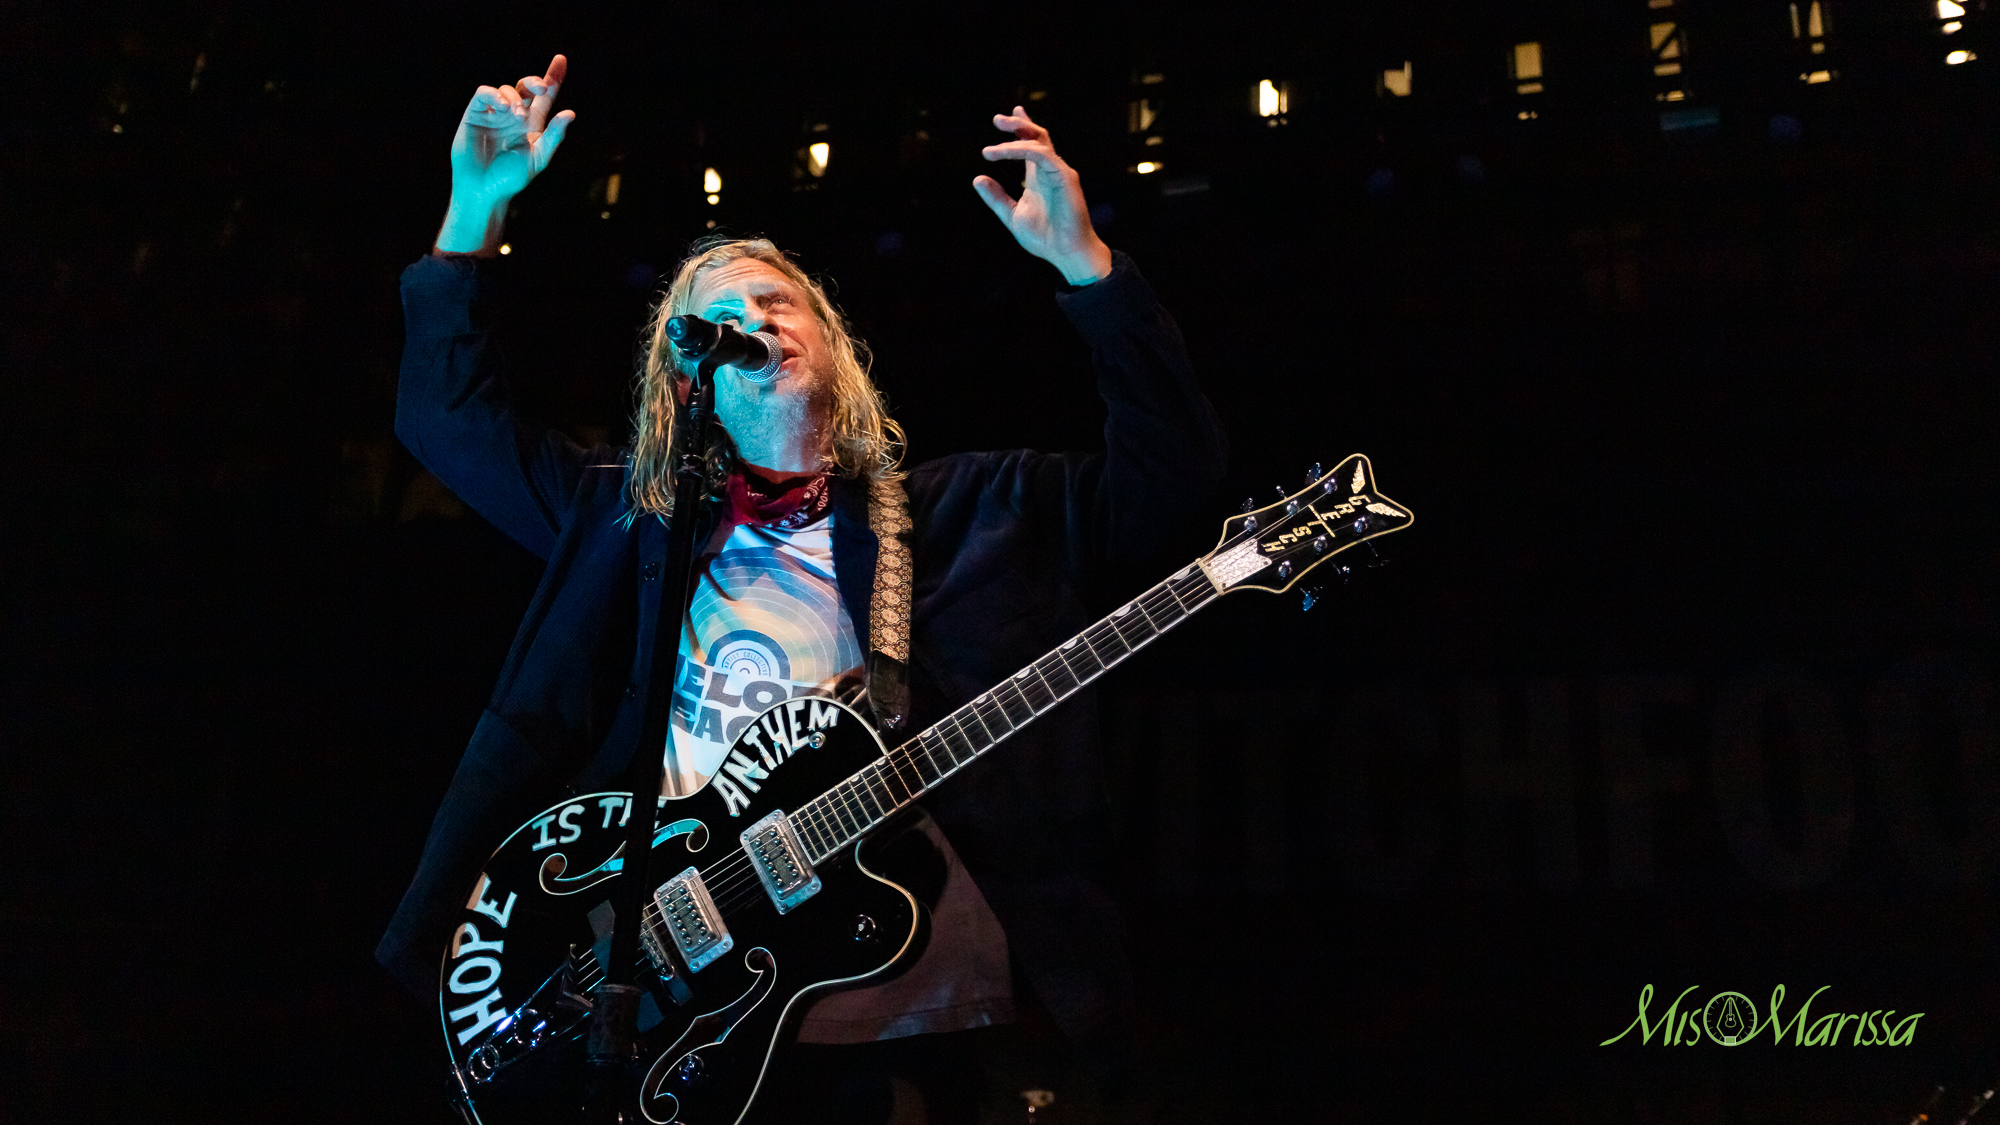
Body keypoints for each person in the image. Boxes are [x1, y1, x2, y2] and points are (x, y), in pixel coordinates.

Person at [380, 54, 1227, 1123]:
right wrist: (473, 211)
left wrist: (1089, 271)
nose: (754, 319)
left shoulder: (977, 509)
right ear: (681, 380)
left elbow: (1173, 482)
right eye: (718, 314)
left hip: (927, 1014)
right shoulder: (621, 524)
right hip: (691, 1016)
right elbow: (443, 420)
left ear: (829, 344)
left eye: (776, 302)